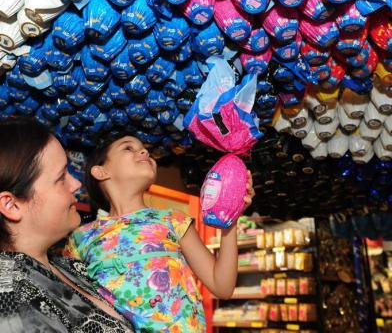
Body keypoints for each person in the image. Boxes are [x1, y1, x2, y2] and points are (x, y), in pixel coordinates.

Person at [64, 133, 255, 332]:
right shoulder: (81, 237)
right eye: (128, 148)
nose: (144, 151)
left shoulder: (173, 220)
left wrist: (230, 220)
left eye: (144, 148)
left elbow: (222, 286)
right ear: (101, 171)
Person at [0, 118, 135, 333]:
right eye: (61, 177)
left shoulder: (68, 266)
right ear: (12, 205)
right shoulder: (8, 298)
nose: (76, 183)